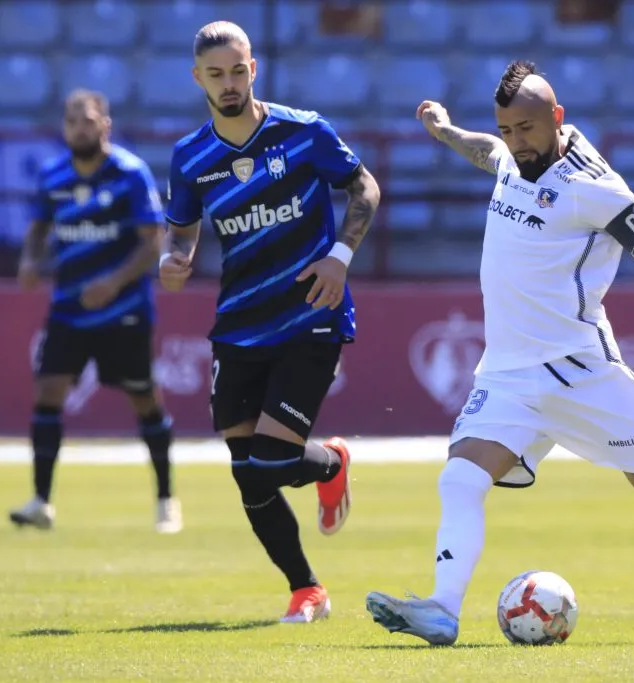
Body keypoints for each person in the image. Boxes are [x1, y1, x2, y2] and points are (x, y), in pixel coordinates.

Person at [365, 61, 634, 645]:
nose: (517, 142)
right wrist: (446, 131)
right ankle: (442, 608)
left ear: (556, 118)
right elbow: (491, 154)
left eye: (528, 129)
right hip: (508, 372)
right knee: (459, 479)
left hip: (580, 373)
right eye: (509, 129)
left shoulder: (596, 187)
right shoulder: (513, 152)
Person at [158, 22, 381, 623]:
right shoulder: (190, 157)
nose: (228, 83)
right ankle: (306, 589)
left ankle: (331, 463)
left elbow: (364, 185)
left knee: (275, 462)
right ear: (197, 77)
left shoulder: (303, 131)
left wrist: (340, 257)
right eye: (215, 74)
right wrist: (170, 257)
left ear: (253, 68)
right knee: (246, 472)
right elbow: (180, 224)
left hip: (311, 312)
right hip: (238, 324)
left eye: (237, 70)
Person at [9, 89, 182, 534]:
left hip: (123, 309)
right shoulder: (52, 176)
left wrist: (114, 282)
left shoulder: (129, 173)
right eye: (71, 121)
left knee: (144, 398)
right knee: (48, 392)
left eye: (86, 120)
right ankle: (41, 502)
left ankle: (166, 500)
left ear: (105, 123)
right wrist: (30, 260)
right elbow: (37, 230)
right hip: (68, 307)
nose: (79, 128)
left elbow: (153, 242)